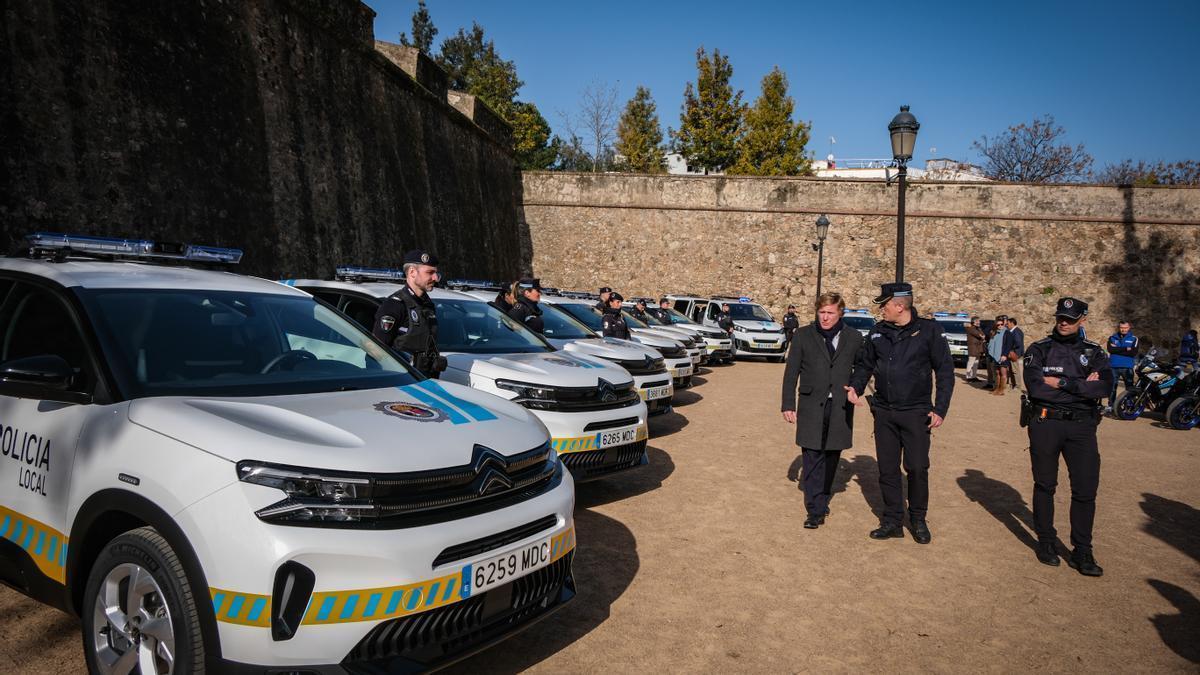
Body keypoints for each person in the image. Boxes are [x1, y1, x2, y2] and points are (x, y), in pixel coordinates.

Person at [847, 282, 954, 544]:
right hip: (884, 411)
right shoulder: (877, 332)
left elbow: (945, 372)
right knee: (887, 469)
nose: (881, 310)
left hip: (916, 412)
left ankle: (917, 519)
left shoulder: (929, 331)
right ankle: (892, 520)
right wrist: (856, 388)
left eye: (884, 305)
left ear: (899, 305)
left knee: (917, 468)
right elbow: (865, 365)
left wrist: (939, 409)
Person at [1022, 297, 1111, 576]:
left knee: (1085, 490)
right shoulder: (1039, 350)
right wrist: (1083, 385)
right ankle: (1046, 542)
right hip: (1046, 423)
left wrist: (1062, 382)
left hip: (1082, 427)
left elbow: (1105, 387)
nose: (1063, 322)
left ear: (1082, 319)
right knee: (1045, 484)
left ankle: (1082, 550)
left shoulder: (1095, 352)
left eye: (1070, 319)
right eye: (1060, 317)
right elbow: (1037, 389)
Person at [780, 293, 864, 529]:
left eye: (830, 313)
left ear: (841, 314)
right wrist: (788, 404)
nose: (825, 318)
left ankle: (823, 494)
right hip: (810, 404)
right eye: (822, 313)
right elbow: (791, 373)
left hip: (840, 405)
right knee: (812, 454)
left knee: (831, 455)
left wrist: (856, 387)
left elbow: (862, 368)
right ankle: (815, 509)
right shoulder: (803, 336)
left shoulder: (854, 337)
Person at [372, 249, 446, 378]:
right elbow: (376, 351)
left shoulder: (427, 305)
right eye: (430, 273)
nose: (435, 278)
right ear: (412, 272)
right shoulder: (394, 305)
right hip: (400, 381)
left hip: (424, 379)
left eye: (436, 273)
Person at [1106, 321, 1138, 410]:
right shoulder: (1112, 337)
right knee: (1112, 387)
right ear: (1119, 328)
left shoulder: (1134, 338)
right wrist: (1126, 348)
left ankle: (1129, 406)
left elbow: (1133, 352)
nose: (1123, 329)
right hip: (1113, 366)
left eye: (1125, 328)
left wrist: (1117, 349)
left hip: (1127, 367)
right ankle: (1111, 406)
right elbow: (1110, 349)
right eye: (1121, 328)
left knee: (1129, 388)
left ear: (1129, 328)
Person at [1005, 317, 1026, 395]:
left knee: (1015, 370)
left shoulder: (1016, 331)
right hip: (1013, 353)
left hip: (1015, 353)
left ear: (1012, 323)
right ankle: (1013, 385)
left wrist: (1010, 348)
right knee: (1011, 370)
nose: (1007, 325)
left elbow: (1018, 343)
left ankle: (1018, 387)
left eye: (1008, 323)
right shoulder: (1014, 331)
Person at [987, 316, 1008, 395]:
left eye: (1001, 324)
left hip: (1003, 356)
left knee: (1003, 374)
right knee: (997, 373)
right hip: (995, 355)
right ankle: (997, 389)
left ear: (1004, 324)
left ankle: (1001, 390)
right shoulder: (995, 332)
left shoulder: (1007, 332)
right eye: (998, 325)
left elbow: (1009, 345)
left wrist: (1005, 355)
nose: (999, 326)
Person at [965, 316, 986, 382]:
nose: (979, 322)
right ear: (974, 322)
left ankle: (974, 376)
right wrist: (982, 336)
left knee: (976, 363)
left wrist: (982, 336)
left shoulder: (978, 328)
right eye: (977, 321)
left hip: (978, 348)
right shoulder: (971, 328)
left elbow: (983, 335)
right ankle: (968, 376)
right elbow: (978, 335)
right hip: (973, 348)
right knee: (971, 362)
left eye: (979, 321)